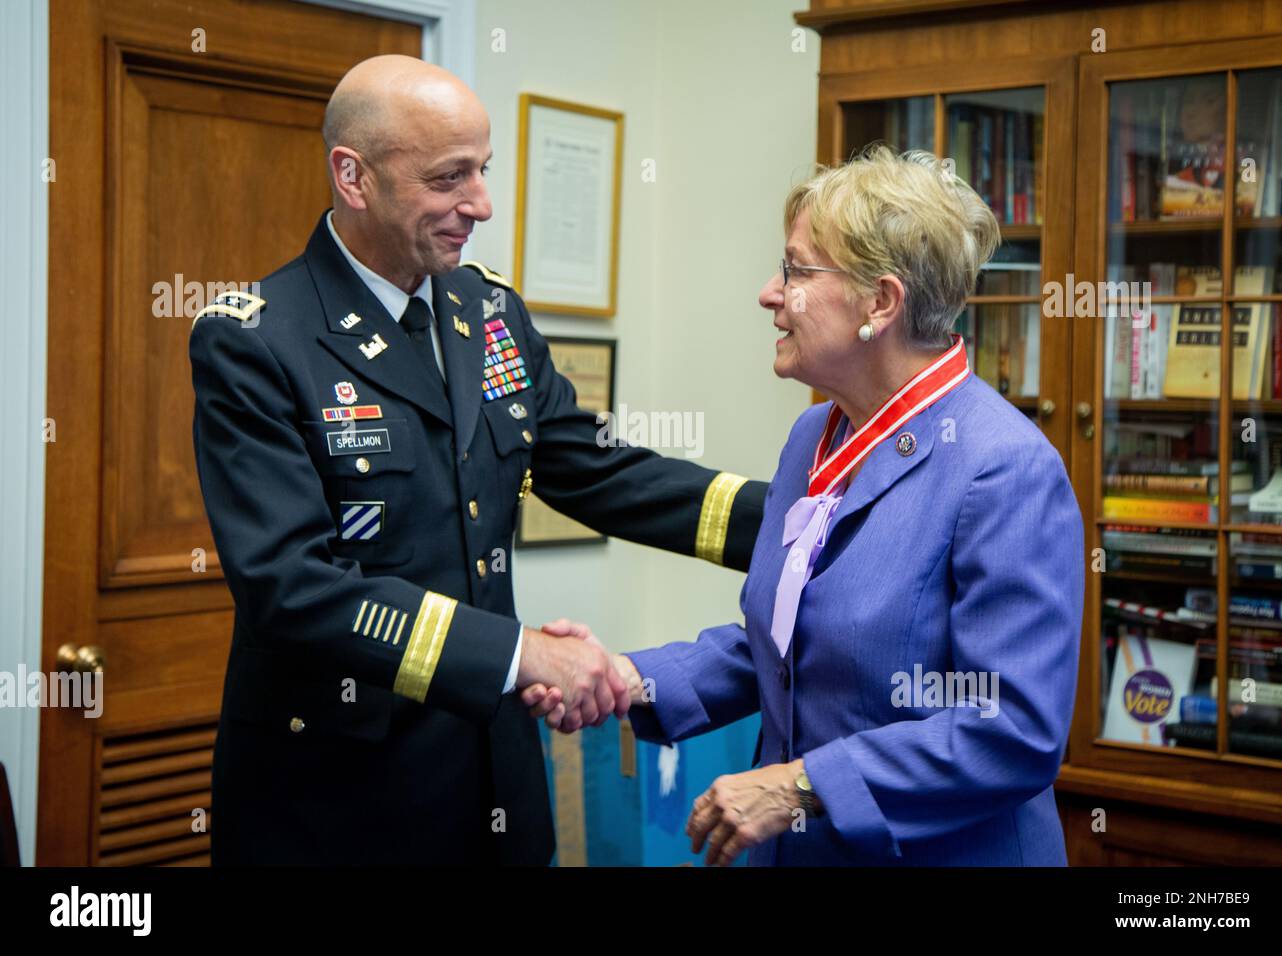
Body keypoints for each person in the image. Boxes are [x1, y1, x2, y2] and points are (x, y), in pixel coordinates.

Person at [190, 55, 766, 865]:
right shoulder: (256, 338)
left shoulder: (488, 311)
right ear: (353, 177)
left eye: (483, 170)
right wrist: (522, 654)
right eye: (448, 177)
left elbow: (596, 470)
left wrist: (803, 523)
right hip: (337, 791)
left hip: (493, 773)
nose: (481, 204)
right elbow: (291, 585)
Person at [530, 145, 1084, 866]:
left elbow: (1012, 731)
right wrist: (630, 678)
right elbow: (789, 646)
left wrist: (801, 786)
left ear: (880, 302)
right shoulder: (815, 437)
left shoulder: (1003, 468)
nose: (769, 293)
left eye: (795, 271)